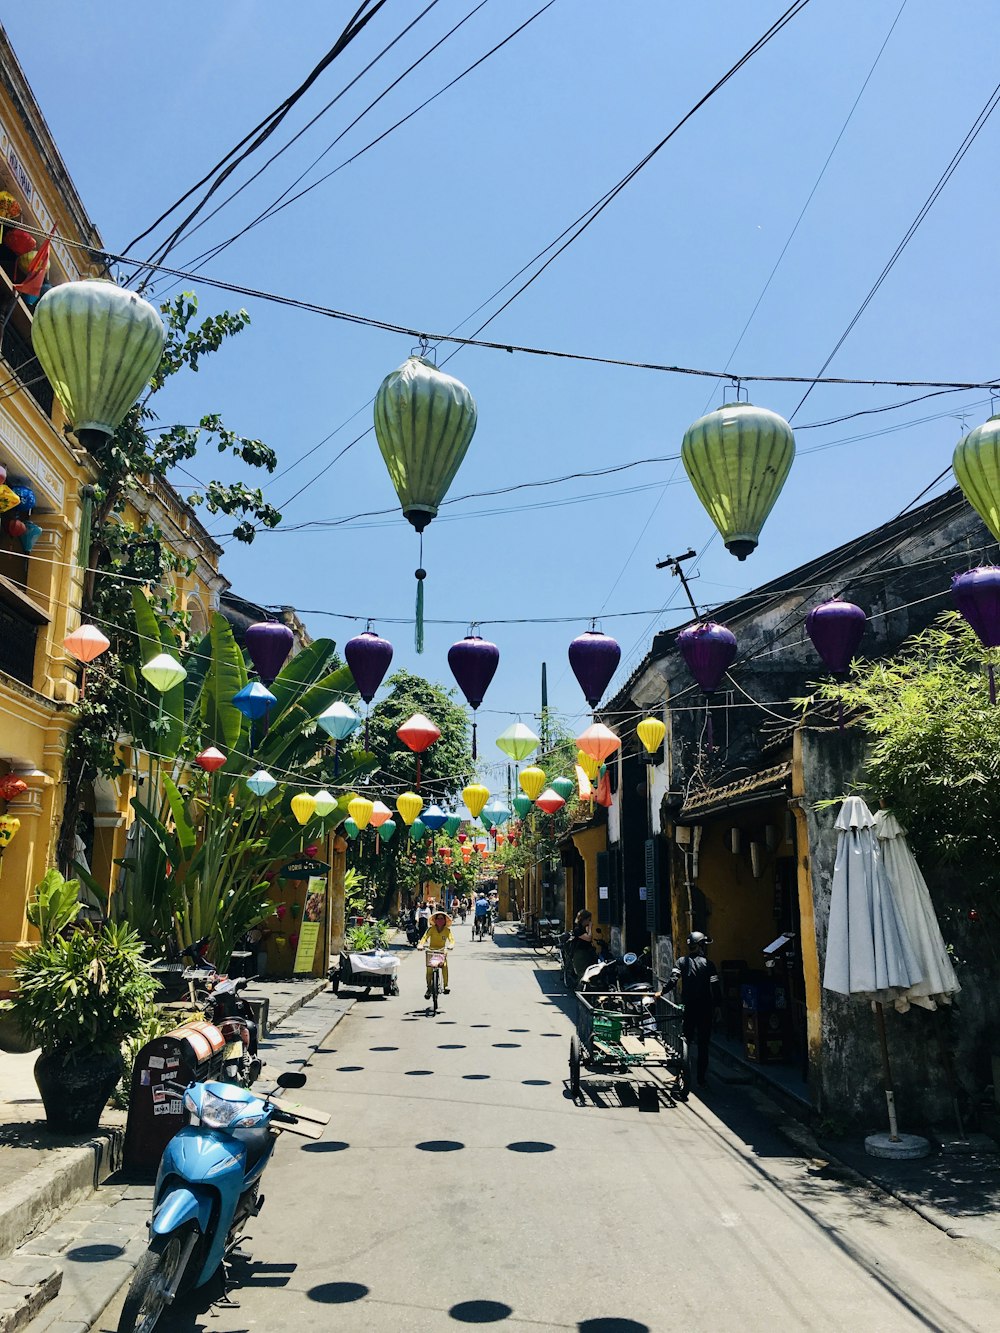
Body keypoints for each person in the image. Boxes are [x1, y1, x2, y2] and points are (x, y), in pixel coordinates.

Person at [667, 931, 720, 1087]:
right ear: (701, 946)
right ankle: (701, 1078)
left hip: (689, 1008)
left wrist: (661, 992)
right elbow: (715, 988)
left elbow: (672, 980)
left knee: (685, 1043)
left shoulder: (681, 962)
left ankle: (680, 1074)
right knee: (703, 1044)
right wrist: (718, 1007)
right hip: (705, 1009)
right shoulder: (709, 965)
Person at [418, 908, 455, 997]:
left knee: (444, 966)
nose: (440, 920)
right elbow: (424, 937)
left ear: (445, 920)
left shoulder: (447, 930)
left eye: (442, 919)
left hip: (442, 950)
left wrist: (451, 945)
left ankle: (445, 986)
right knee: (429, 969)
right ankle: (429, 988)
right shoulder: (431, 929)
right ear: (435, 920)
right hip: (431, 950)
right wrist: (420, 945)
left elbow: (452, 940)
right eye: (438, 918)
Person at [570, 909, 598, 984]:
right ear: (584, 919)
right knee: (582, 975)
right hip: (580, 954)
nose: (589, 922)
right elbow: (588, 938)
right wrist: (590, 929)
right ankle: (579, 990)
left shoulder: (582, 928)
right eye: (589, 920)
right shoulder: (578, 929)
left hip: (586, 953)